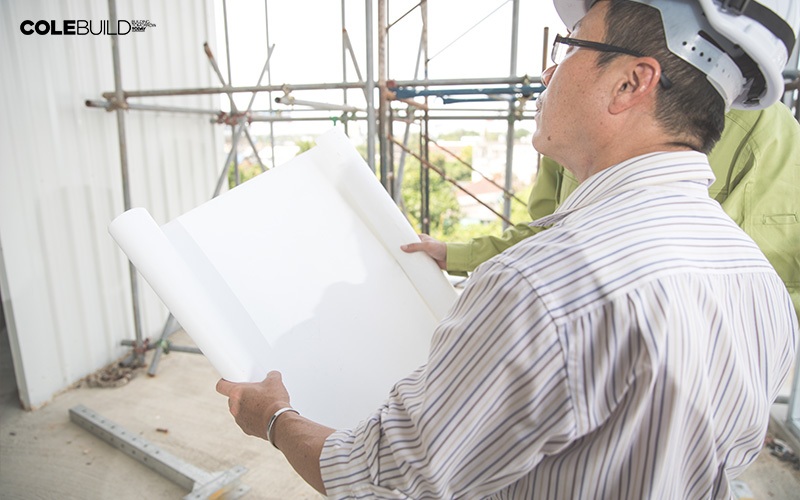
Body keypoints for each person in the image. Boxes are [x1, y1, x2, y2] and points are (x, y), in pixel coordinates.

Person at [217, 0, 800, 497]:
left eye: (568, 48)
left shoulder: (538, 286)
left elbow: (381, 479)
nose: (550, 70)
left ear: (630, 83)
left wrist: (274, 418)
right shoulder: (754, 279)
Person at [402, 103, 800, 317]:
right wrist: (458, 254)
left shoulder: (763, 132)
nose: (550, 74)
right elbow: (549, 231)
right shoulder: (576, 119)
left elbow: (763, 290)